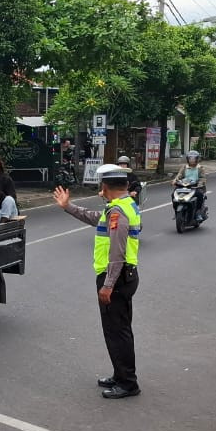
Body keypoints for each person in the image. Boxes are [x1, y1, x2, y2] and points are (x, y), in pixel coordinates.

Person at [52, 165, 141, 399]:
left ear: (104, 186)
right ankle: (121, 375)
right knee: (119, 329)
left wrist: (108, 285)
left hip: (117, 277)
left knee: (116, 332)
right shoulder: (122, 206)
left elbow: (117, 253)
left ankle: (128, 383)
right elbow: (94, 218)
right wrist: (68, 207)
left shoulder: (117, 212)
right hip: (124, 276)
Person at [172, 150, 208, 220]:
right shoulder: (184, 167)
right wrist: (175, 180)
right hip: (184, 186)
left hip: (196, 187)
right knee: (173, 194)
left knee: (199, 195)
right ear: (188, 159)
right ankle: (176, 212)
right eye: (190, 158)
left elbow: (203, 178)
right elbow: (179, 175)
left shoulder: (200, 168)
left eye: (193, 159)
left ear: (197, 159)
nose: (192, 160)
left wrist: (200, 184)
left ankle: (198, 212)